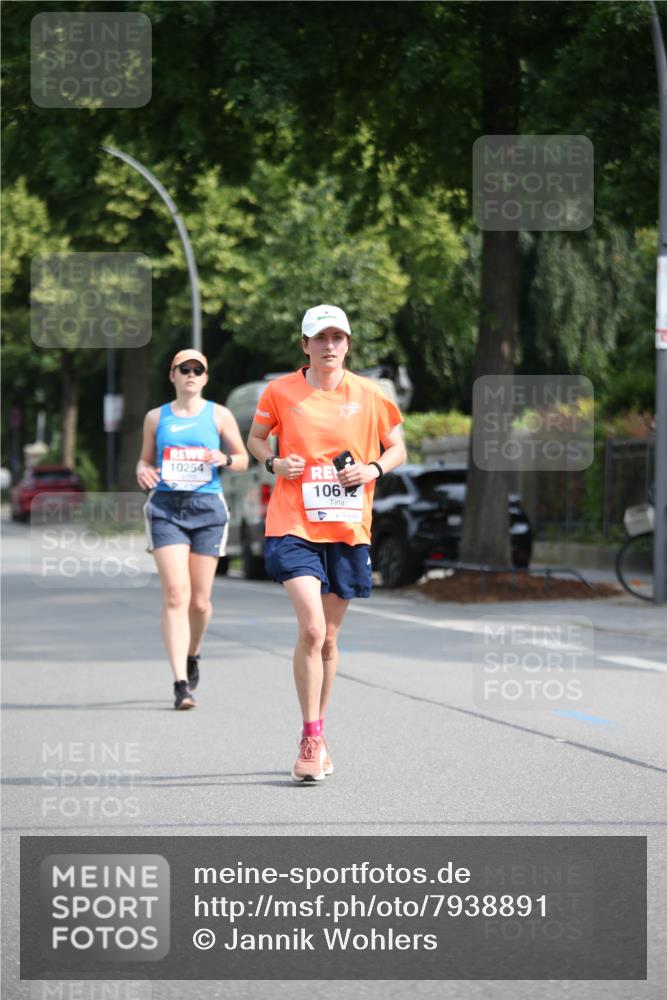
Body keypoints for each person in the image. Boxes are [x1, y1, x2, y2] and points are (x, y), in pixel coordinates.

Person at [247, 305, 406, 781]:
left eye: (338, 337)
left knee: (331, 639)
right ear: (305, 345)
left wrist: (373, 468)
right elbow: (256, 439)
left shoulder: (370, 394)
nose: (330, 345)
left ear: (348, 344)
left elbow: (397, 447)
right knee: (313, 630)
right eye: (320, 338)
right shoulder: (280, 392)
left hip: (347, 528)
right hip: (293, 522)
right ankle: (310, 738)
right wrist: (274, 463)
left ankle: (320, 730)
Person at [137, 349, 248, 709]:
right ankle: (180, 684)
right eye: (183, 369)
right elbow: (145, 460)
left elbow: (244, 459)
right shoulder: (157, 418)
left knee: (199, 603)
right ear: (171, 376)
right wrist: (142, 470)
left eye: (197, 369)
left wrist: (226, 459)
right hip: (167, 509)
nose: (190, 374)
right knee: (175, 595)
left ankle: (193, 653)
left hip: (207, 510)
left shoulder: (219, 415)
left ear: (205, 378)